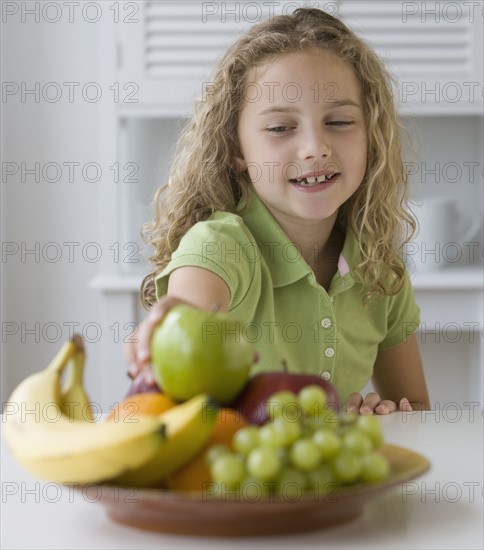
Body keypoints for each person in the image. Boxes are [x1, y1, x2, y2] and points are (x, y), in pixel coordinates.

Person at [125, 7, 430, 414]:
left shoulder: (380, 267)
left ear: (371, 134)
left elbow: (418, 408)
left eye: (339, 121)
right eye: (280, 128)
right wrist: (172, 320)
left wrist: (387, 417)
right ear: (235, 149)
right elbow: (190, 310)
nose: (314, 147)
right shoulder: (221, 243)